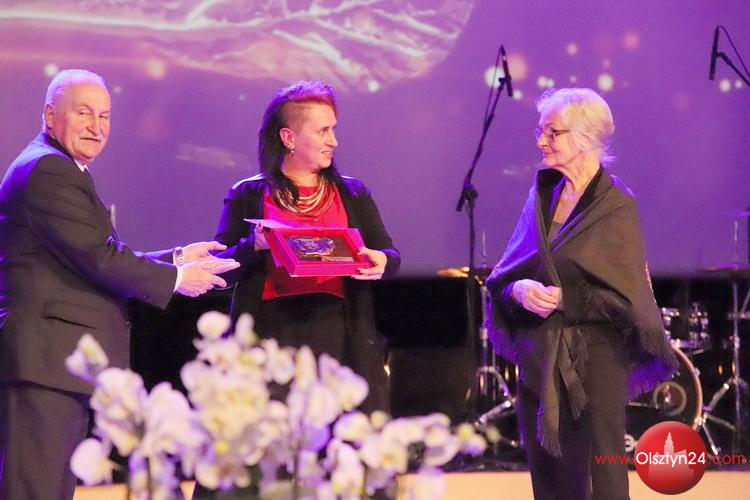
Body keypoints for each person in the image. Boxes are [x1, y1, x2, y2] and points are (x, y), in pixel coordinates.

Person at [0, 69, 239, 499]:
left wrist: (177, 257)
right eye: (84, 113)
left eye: (105, 116)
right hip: (44, 367)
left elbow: (92, 254)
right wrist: (177, 278)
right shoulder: (47, 170)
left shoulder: (59, 166)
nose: (97, 126)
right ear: (50, 116)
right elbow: (99, 258)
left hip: (55, 368)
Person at [485, 88, 677, 500]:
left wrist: (565, 300)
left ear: (586, 137)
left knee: (600, 467)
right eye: (541, 131)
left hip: (597, 356)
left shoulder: (616, 206)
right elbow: (511, 269)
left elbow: (625, 298)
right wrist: (519, 290)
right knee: (548, 466)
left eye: (552, 132)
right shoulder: (543, 194)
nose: (542, 141)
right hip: (541, 351)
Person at [214, 81, 400, 412]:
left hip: (340, 333)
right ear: (288, 138)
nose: (334, 141)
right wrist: (253, 245)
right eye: (323, 131)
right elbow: (220, 269)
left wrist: (381, 262)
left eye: (333, 129)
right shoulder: (248, 194)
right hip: (269, 335)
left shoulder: (353, 193)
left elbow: (389, 255)